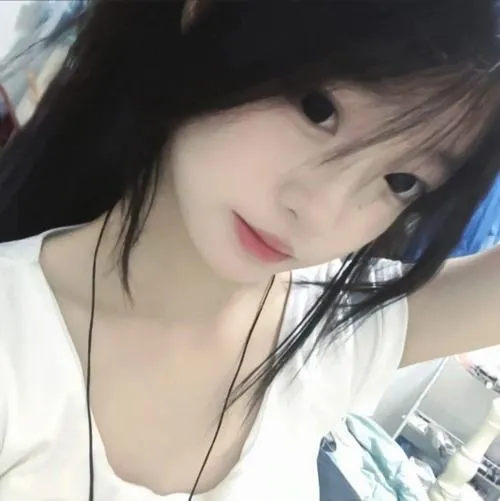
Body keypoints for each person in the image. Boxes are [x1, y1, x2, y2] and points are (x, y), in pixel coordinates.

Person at [0, 1, 499, 500]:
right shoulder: (16, 341)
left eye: (402, 181)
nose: (319, 211)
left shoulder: (325, 334)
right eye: (318, 109)